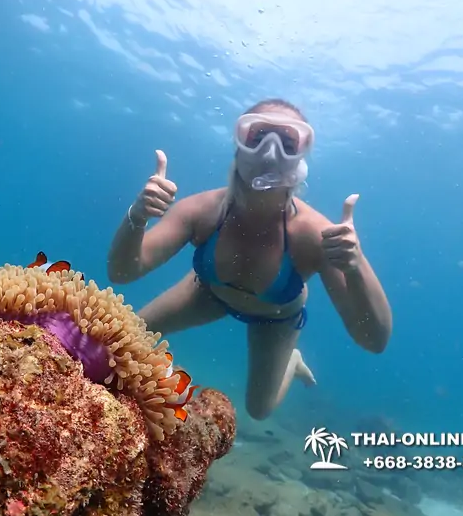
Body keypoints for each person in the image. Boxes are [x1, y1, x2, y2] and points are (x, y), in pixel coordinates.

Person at [107, 99, 392, 420]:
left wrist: (356, 266)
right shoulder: (202, 211)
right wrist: (138, 216)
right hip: (207, 292)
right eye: (257, 137)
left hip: (277, 316)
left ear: (300, 161)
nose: (270, 153)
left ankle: (293, 360)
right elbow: (122, 272)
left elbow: (374, 340)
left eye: (287, 143)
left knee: (259, 410)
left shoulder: (314, 235)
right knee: (124, 337)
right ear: (238, 146)